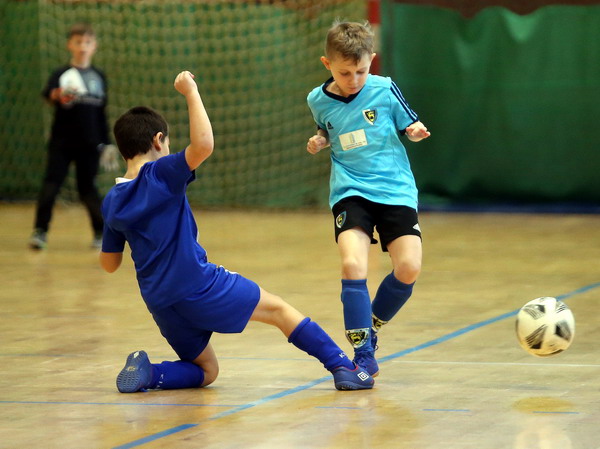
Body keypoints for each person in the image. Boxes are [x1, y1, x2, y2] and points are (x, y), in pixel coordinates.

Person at [99, 71, 374, 393]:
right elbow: (203, 145)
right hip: (197, 285)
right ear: (159, 141)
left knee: (207, 370)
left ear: (123, 151)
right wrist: (191, 91)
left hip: (159, 301)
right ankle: (344, 367)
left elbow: (109, 263)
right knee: (278, 310)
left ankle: (150, 374)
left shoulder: (112, 200)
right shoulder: (160, 173)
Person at [306, 21, 431, 377]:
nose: (354, 79)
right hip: (350, 191)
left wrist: (414, 131)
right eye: (345, 73)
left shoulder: (384, 89)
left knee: (408, 268)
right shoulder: (317, 100)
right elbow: (327, 127)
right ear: (327, 64)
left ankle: (371, 325)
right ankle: (362, 354)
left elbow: (408, 124)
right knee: (352, 265)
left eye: (361, 71)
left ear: (371, 60)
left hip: (394, 189)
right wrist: (320, 140)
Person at [29, 22, 118, 251]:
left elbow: (101, 113)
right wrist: (58, 94)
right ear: (70, 45)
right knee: (51, 185)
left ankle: (100, 233)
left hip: (90, 144)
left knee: (88, 189)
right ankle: (40, 232)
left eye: (87, 42)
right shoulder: (61, 74)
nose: (83, 47)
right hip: (62, 143)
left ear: (94, 46)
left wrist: (106, 143)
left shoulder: (99, 76)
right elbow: (48, 96)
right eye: (78, 42)